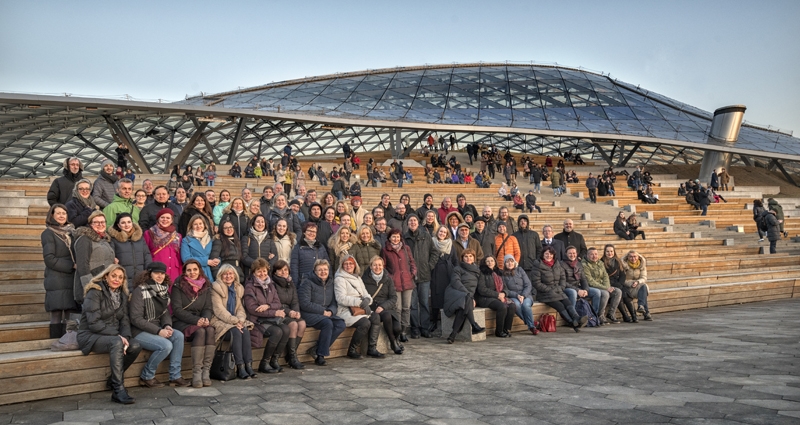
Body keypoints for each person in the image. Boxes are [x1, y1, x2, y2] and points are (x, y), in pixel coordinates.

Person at [77, 264, 142, 404]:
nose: (116, 279)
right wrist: (118, 336)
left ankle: (112, 380)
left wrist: (126, 337)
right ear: (106, 276)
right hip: (90, 334)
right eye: (113, 276)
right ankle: (118, 390)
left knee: (135, 345)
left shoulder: (123, 295)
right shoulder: (95, 291)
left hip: (112, 335)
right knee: (116, 342)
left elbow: (124, 321)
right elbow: (93, 322)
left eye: (120, 277)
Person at [130, 262, 190, 388]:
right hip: (139, 331)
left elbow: (164, 312)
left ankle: (175, 376)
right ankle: (147, 376)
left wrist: (167, 325)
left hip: (157, 327)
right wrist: (158, 331)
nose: (160, 276)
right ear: (149, 274)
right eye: (156, 273)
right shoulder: (140, 290)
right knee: (165, 345)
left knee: (178, 335)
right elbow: (136, 319)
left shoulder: (163, 290)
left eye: (162, 273)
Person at [171, 260, 216, 387]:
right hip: (182, 321)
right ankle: (196, 373)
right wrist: (196, 321)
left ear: (199, 270)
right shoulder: (178, 285)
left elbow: (208, 307)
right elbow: (177, 309)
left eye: (195, 269)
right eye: (189, 270)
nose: (192, 273)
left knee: (210, 330)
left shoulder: (206, 285)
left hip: (200, 319)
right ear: (185, 272)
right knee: (200, 331)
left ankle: (206, 371)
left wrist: (206, 318)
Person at [333, 255, 385, 359]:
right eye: (346, 264)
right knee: (365, 323)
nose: (349, 266)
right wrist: (360, 302)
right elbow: (341, 298)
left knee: (376, 317)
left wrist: (367, 300)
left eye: (351, 263)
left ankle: (372, 348)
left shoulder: (357, 277)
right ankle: (352, 350)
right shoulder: (339, 279)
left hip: (360, 309)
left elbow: (366, 294)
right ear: (342, 265)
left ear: (355, 265)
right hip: (346, 310)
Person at [299, 259, 345, 366]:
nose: (323, 272)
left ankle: (317, 348)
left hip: (325, 314)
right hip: (309, 313)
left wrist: (330, 311)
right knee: (327, 323)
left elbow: (334, 302)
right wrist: (322, 311)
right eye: (320, 270)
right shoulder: (307, 282)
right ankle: (320, 355)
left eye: (325, 269)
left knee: (340, 324)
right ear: (315, 271)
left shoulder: (330, 283)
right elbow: (304, 303)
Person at [42, 204, 79, 338]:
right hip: (56, 279)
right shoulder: (48, 233)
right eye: (58, 213)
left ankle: (68, 341)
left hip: (71, 279)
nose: (62, 216)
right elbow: (49, 259)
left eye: (64, 213)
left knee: (70, 312)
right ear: (52, 215)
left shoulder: (72, 232)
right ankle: (54, 341)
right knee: (57, 313)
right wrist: (72, 266)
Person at [531, 247, 587, 332]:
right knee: (560, 306)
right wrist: (549, 290)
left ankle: (576, 318)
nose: (548, 256)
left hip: (558, 291)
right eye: (546, 254)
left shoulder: (557, 264)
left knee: (567, 302)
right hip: (545, 293)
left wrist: (560, 288)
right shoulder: (537, 265)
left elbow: (563, 279)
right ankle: (572, 323)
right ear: (542, 255)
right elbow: (536, 283)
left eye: (550, 254)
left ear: (553, 255)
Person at [404, 215, 438, 339]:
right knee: (412, 304)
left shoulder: (426, 236)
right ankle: (415, 328)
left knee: (424, 303)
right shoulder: (404, 238)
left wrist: (429, 266)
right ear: (407, 224)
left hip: (424, 275)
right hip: (410, 276)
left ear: (418, 223)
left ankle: (425, 328)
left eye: (414, 221)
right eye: (410, 221)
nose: (412, 222)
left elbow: (434, 252)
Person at [362, 255, 403, 355]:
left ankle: (395, 340)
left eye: (380, 265)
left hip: (387, 307)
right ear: (370, 266)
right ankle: (393, 343)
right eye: (375, 265)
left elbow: (393, 297)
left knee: (398, 328)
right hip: (373, 308)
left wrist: (383, 306)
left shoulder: (388, 280)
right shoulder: (364, 279)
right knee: (386, 315)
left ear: (383, 266)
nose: (377, 267)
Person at [269, 260, 306, 369]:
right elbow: (276, 303)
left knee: (302, 324)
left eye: (285, 269)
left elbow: (294, 301)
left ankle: (291, 355)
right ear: (275, 272)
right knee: (293, 325)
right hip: (278, 312)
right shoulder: (272, 284)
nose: (283, 272)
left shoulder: (290, 282)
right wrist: (290, 312)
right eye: (280, 270)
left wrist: (296, 312)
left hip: (290, 311)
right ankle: (292, 358)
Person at [73, 211, 116, 304]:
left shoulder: (105, 239)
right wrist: (90, 287)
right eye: (96, 222)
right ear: (90, 224)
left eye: (103, 222)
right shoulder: (84, 239)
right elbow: (82, 266)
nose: (100, 224)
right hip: (92, 285)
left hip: (105, 285)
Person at [443, 249, 485, 343]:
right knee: (466, 299)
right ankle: (474, 325)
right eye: (466, 256)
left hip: (466, 297)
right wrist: (468, 294)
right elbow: (455, 282)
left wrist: (472, 297)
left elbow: (479, 288)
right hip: (454, 293)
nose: (468, 258)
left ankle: (452, 335)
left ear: (474, 258)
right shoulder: (458, 269)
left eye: (470, 256)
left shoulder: (477, 271)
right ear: (462, 258)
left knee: (463, 307)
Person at [476, 256, 517, 338]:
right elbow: (482, 289)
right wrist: (497, 295)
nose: (490, 263)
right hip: (485, 298)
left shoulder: (498, 272)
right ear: (484, 263)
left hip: (499, 296)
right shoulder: (482, 273)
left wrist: (503, 293)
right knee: (502, 306)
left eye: (492, 261)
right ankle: (499, 331)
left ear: (495, 262)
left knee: (512, 305)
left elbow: (505, 288)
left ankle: (507, 329)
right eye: (487, 261)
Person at [108, 213, 152, 289]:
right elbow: (111, 257)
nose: (126, 225)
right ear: (118, 225)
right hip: (123, 279)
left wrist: (148, 272)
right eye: (123, 223)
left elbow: (147, 255)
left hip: (140, 278)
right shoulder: (114, 240)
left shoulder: (140, 238)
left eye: (129, 222)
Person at [583, 247, 621, 325]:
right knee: (605, 293)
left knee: (618, 291)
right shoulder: (584, 265)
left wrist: (608, 287)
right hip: (591, 287)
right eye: (591, 254)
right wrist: (606, 288)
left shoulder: (600, 263)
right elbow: (590, 281)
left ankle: (611, 314)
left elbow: (605, 276)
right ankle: (600, 315)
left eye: (596, 254)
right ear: (587, 255)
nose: (594, 256)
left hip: (602, 286)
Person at [500, 254, 537, 335]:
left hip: (526, 295)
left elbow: (528, 285)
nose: (510, 263)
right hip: (513, 296)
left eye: (511, 261)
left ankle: (531, 326)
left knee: (526, 305)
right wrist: (517, 295)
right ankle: (531, 325)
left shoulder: (520, 270)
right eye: (507, 262)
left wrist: (523, 295)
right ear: (505, 263)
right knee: (517, 305)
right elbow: (506, 290)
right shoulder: (502, 274)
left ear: (514, 262)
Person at [143, 208, 182, 282]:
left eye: (168, 218)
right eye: (162, 217)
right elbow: (145, 252)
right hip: (157, 270)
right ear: (158, 219)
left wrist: (180, 272)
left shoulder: (177, 236)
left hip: (174, 271)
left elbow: (178, 255)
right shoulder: (149, 233)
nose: (165, 220)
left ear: (172, 220)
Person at [603, 245, 637, 323]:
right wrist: (616, 284)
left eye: (611, 251)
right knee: (619, 294)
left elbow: (622, 274)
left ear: (614, 252)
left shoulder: (618, 261)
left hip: (619, 283)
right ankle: (625, 315)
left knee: (626, 294)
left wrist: (620, 283)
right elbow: (604, 277)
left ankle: (634, 316)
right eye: (607, 251)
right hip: (610, 284)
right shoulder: (602, 262)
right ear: (604, 252)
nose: (609, 253)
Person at [181, 215, 217, 279]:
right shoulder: (186, 240)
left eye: (200, 223)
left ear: (204, 225)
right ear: (191, 226)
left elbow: (215, 253)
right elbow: (186, 259)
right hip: (194, 273)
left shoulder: (210, 239)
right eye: (195, 224)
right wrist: (206, 261)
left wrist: (217, 260)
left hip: (210, 272)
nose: (198, 226)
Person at [620, 250, 652, 321]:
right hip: (627, 287)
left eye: (635, 256)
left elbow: (644, 277)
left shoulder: (641, 265)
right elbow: (622, 279)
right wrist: (632, 283)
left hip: (638, 286)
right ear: (627, 257)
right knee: (643, 291)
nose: (633, 258)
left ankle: (641, 306)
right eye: (630, 257)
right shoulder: (623, 265)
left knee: (643, 287)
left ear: (638, 257)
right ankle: (646, 313)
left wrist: (637, 282)